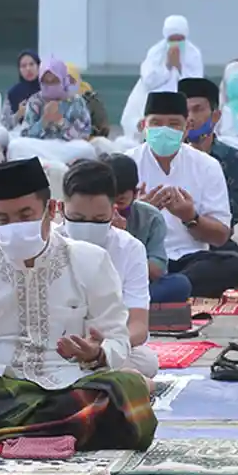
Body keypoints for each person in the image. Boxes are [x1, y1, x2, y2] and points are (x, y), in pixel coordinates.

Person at [0, 157, 156, 452]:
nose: (15, 226)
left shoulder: (91, 260)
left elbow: (117, 340)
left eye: (25, 215)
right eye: (3, 219)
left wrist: (97, 354)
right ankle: (54, 434)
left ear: (51, 210)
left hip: (69, 384)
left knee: (125, 388)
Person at [129, 91, 238, 298]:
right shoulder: (125, 164)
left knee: (236, 264)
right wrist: (139, 214)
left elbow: (221, 236)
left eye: (174, 124)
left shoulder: (207, 166)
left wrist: (190, 217)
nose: (164, 130)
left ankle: (163, 289)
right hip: (141, 259)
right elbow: (108, 228)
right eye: (156, 123)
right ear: (143, 127)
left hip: (189, 259)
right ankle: (169, 289)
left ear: (186, 129)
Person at [59, 160, 159, 378]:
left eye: (98, 220)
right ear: (60, 208)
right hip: (56, 347)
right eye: (77, 219)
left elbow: (138, 326)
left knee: (147, 361)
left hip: (108, 345)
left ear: (113, 212)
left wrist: (103, 348)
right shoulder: (47, 244)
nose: (87, 227)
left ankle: (93, 373)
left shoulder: (130, 248)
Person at [178, 77, 238, 278]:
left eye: (198, 109)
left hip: (213, 240)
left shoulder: (234, 158)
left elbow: (234, 211)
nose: (190, 118)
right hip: (171, 241)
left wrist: (191, 215)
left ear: (215, 116)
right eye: (185, 112)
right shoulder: (168, 155)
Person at [101, 153, 192, 304]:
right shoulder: (90, 213)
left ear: (135, 194)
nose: (115, 208)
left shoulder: (151, 217)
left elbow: (157, 270)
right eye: (110, 199)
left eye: (121, 200)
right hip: (97, 286)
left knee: (179, 284)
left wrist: (123, 241)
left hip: (137, 287)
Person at [120, 14, 204, 147]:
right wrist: (168, 66)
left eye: (179, 39)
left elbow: (195, 84)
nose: (176, 43)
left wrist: (180, 68)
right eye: (172, 39)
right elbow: (148, 80)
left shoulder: (193, 53)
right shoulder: (156, 53)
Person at [8, 58, 97, 165]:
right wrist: (44, 121)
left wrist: (60, 121)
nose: (50, 86)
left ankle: (44, 163)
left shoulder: (76, 101)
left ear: (63, 80)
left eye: (54, 81)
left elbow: (84, 134)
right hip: (41, 145)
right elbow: (25, 134)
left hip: (66, 147)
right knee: (15, 145)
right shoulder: (35, 101)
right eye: (45, 82)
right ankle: (55, 164)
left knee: (87, 149)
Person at [69, 62, 112, 145]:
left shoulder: (91, 99)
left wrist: (88, 132)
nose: (67, 84)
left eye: (71, 81)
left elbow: (103, 127)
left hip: (89, 141)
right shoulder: (53, 99)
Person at [4, 50, 40, 130]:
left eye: (31, 64)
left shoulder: (49, 89)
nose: (28, 69)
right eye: (23, 66)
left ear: (38, 66)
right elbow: (4, 125)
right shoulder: (12, 93)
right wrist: (18, 114)